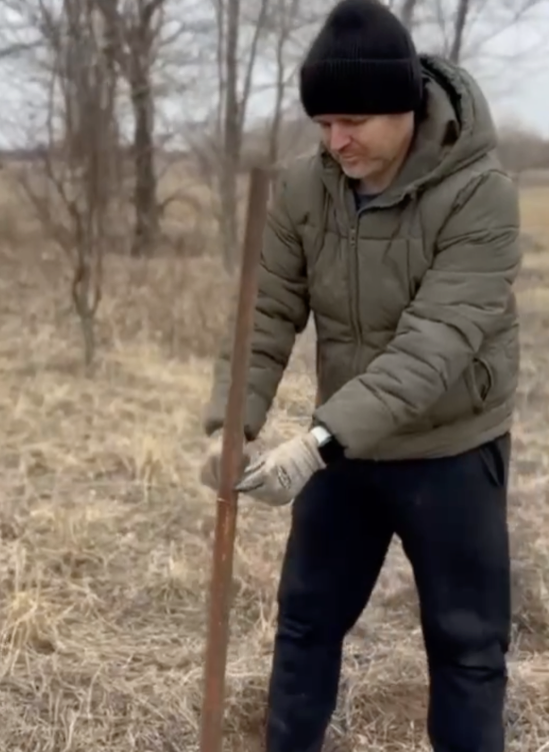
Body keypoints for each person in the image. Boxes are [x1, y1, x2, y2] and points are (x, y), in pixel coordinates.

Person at [198, 1, 522, 751]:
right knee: (306, 621)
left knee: (467, 646)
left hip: (451, 450)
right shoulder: (306, 189)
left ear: (404, 105)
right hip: (346, 451)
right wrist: (232, 424)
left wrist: (314, 442)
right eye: (321, 124)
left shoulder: (481, 196)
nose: (334, 141)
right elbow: (269, 310)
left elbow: (432, 346)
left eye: (351, 121)